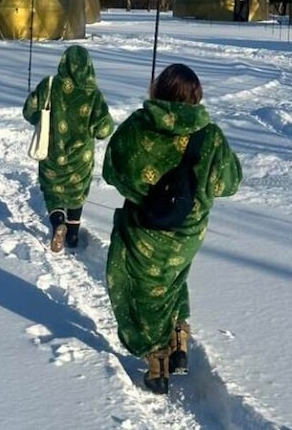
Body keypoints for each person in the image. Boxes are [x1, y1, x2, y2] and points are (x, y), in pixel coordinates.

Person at [102, 63, 242, 394]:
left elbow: (112, 172)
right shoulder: (209, 136)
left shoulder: (136, 128)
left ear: (157, 91)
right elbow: (230, 182)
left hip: (144, 231)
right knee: (174, 280)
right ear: (196, 96)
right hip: (188, 235)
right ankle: (179, 336)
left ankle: (158, 364)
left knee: (145, 293)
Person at [23, 45, 114, 253]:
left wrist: (41, 120)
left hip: (51, 151)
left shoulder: (49, 85)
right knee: (77, 192)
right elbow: (104, 129)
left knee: (52, 191)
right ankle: (72, 235)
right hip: (81, 156)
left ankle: (57, 223)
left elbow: (29, 110)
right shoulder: (93, 95)